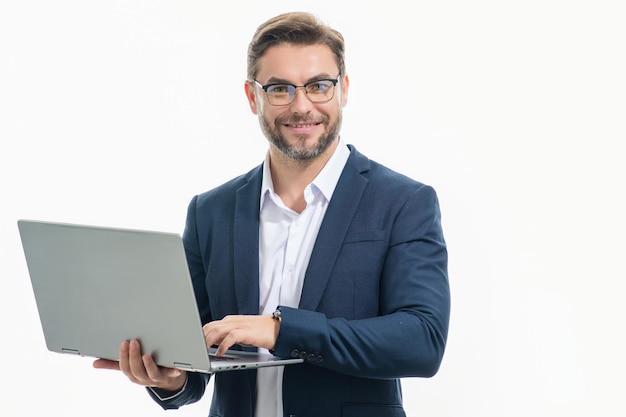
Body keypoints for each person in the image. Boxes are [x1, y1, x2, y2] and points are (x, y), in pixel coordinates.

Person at [94, 11, 450, 417]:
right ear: (252, 97)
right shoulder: (211, 211)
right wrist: (172, 379)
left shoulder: (404, 202)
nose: (302, 107)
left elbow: (423, 341)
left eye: (319, 86)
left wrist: (281, 330)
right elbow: (197, 356)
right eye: (280, 89)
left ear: (344, 90)